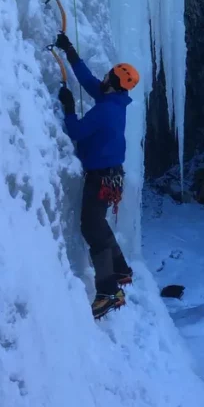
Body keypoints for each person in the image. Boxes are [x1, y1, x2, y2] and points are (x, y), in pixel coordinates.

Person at [54, 32, 139, 320]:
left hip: (101, 177)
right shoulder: (115, 101)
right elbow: (89, 81)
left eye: (109, 76)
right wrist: (71, 52)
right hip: (110, 174)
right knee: (98, 222)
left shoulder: (106, 112)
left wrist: (68, 109)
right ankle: (121, 267)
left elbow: (76, 132)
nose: (104, 77)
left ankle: (108, 290)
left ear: (114, 86)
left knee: (91, 227)